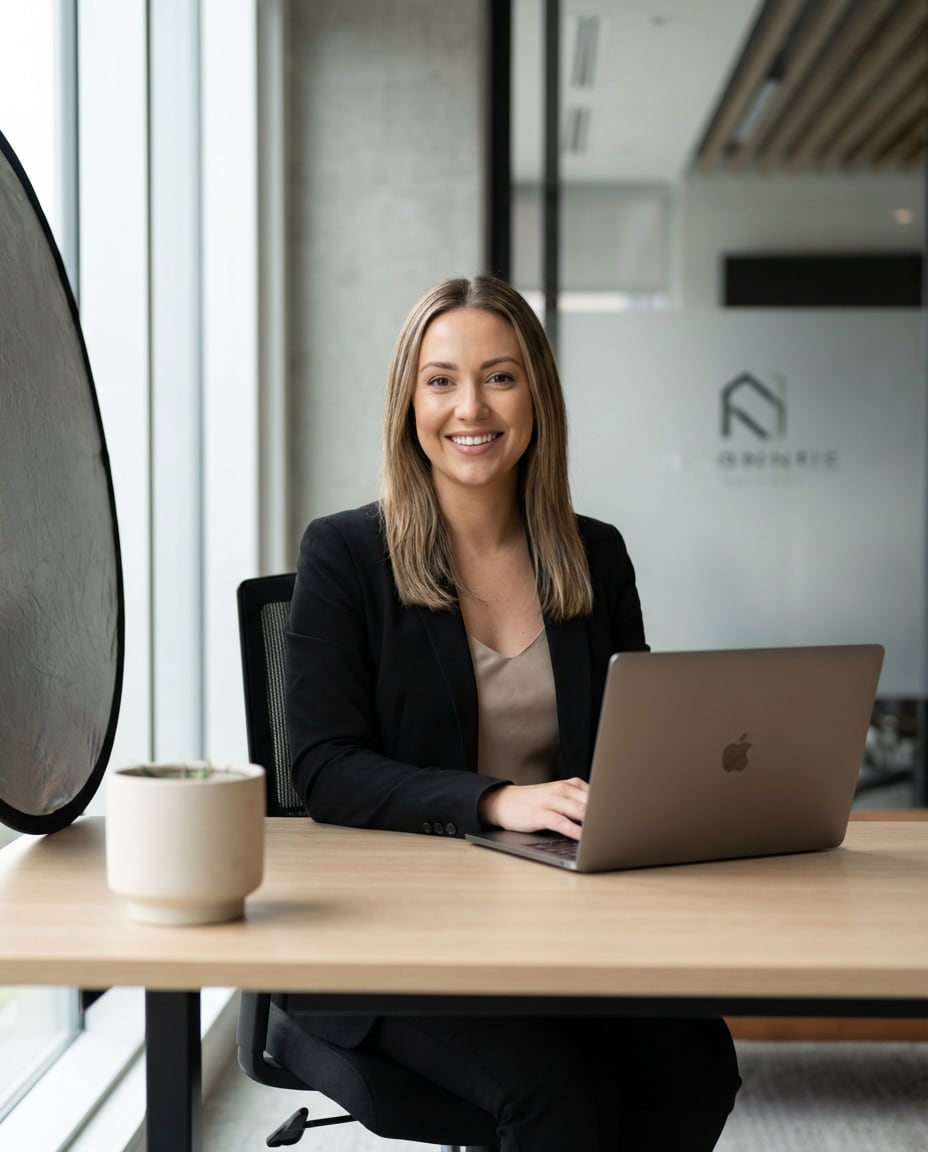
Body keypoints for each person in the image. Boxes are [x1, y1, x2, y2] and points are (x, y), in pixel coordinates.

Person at [286, 274, 741, 1150]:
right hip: (389, 937)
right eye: (441, 378)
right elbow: (322, 768)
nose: (471, 407)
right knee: (556, 1093)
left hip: (561, 921)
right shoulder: (344, 554)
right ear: (408, 401)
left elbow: (632, 745)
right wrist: (497, 800)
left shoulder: (593, 555)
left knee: (694, 1066)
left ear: (536, 395)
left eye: (499, 376)